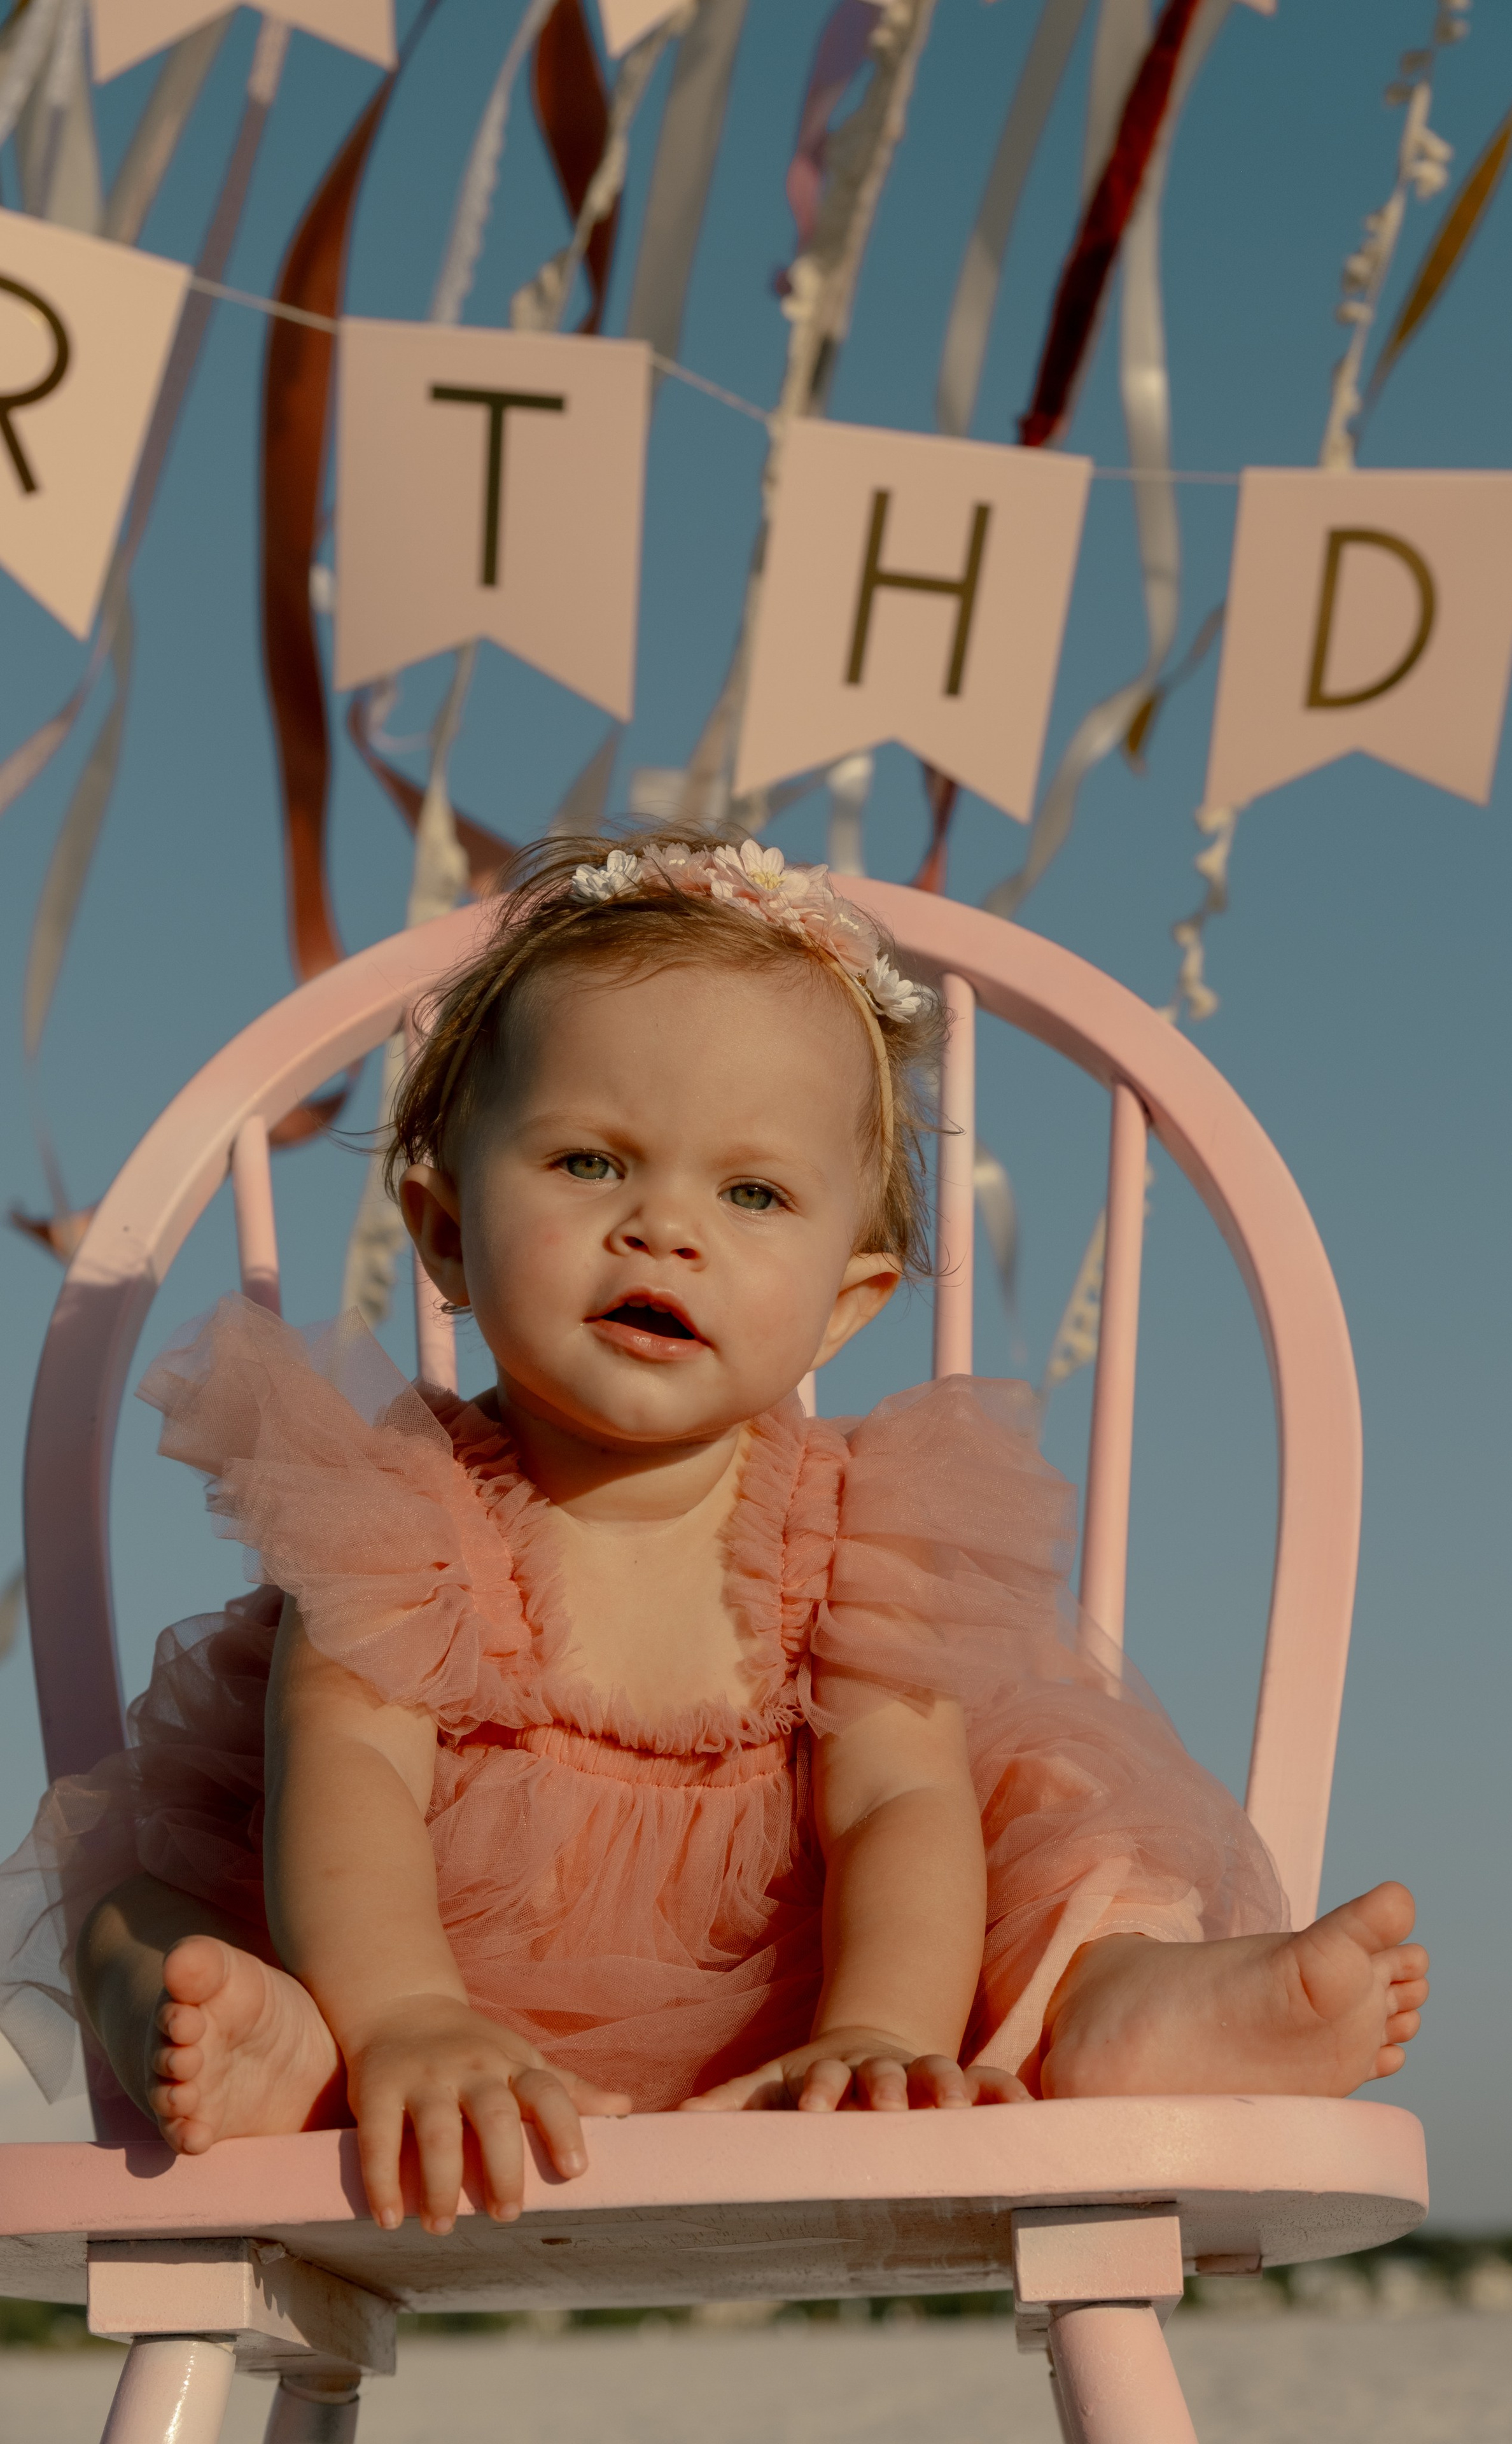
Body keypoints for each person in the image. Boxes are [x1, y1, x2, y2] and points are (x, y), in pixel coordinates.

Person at [0, 835, 1427, 2238]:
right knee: (137, 1923)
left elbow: (892, 1809)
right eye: (586, 1161)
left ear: (849, 1300)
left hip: (810, 2016)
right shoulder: (398, 1505)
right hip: (417, 2014)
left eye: (750, 1194)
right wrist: (407, 2017)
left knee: (1036, 1866)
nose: (662, 1228)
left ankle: (1129, 2013)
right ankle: (280, 2056)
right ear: (441, 1229)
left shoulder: (866, 1523)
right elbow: (351, 1787)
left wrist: (874, 2032)